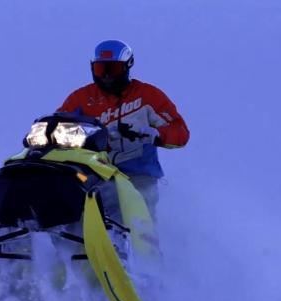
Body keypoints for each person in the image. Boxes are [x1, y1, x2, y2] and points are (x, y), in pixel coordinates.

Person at [57, 39, 190, 219]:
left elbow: (180, 133)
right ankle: (61, 237)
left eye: (113, 69)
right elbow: (59, 123)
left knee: (137, 215)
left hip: (137, 174)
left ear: (127, 66)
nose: (106, 76)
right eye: (100, 69)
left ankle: (144, 246)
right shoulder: (81, 99)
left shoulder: (148, 96)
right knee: (67, 189)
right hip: (93, 173)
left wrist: (155, 134)